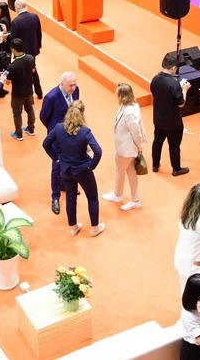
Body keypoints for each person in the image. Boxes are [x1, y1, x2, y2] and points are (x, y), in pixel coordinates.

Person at [43, 101, 104, 238]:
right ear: (81, 114)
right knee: (92, 197)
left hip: (66, 170)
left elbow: (46, 143)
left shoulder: (59, 128)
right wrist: (91, 165)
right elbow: (98, 151)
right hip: (83, 170)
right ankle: (95, 228)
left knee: (70, 198)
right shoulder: (85, 132)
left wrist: (57, 158)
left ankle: (73, 227)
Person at [99, 82, 147, 212]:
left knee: (120, 172)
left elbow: (136, 131)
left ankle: (117, 195)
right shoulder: (130, 106)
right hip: (127, 148)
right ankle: (134, 200)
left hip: (127, 149)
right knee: (131, 173)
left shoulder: (129, 112)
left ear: (122, 95)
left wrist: (140, 146)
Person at [40, 72, 80, 215]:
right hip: (57, 138)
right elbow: (43, 117)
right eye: (70, 85)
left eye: (75, 84)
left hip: (71, 135)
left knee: (70, 161)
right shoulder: (51, 97)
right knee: (57, 166)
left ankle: (64, 185)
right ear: (62, 83)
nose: (73, 88)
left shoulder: (76, 90)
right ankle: (55, 197)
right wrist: (55, 131)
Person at [151, 52, 191, 176]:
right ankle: (176, 168)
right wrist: (184, 89)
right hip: (173, 122)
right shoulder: (174, 84)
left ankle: (155, 164)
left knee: (157, 142)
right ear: (173, 68)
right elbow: (181, 104)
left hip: (158, 119)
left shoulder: (155, 79)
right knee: (174, 145)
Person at [6, 38, 37, 141]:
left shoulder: (12, 66)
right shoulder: (30, 58)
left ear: (13, 50)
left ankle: (19, 134)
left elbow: (8, 82)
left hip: (17, 94)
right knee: (30, 109)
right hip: (29, 91)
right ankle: (31, 129)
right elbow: (33, 70)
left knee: (17, 114)